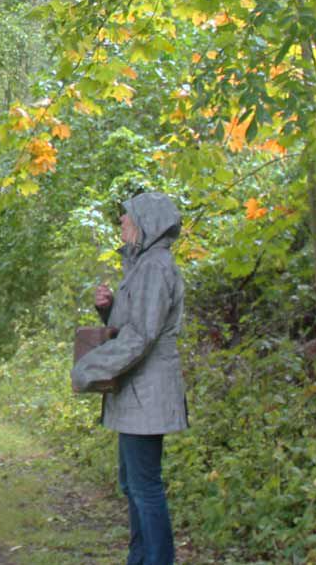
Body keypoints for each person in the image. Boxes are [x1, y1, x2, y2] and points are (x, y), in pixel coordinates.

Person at [72, 192, 189, 565]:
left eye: (126, 218)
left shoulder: (155, 267)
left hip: (147, 396)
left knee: (145, 487)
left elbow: (141, 336)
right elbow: (130, 327)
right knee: (133, 485)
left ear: (145, 224)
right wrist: (106, 311)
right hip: (135, 396)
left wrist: (90, 368)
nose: (121, 223)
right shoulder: (142, 266)